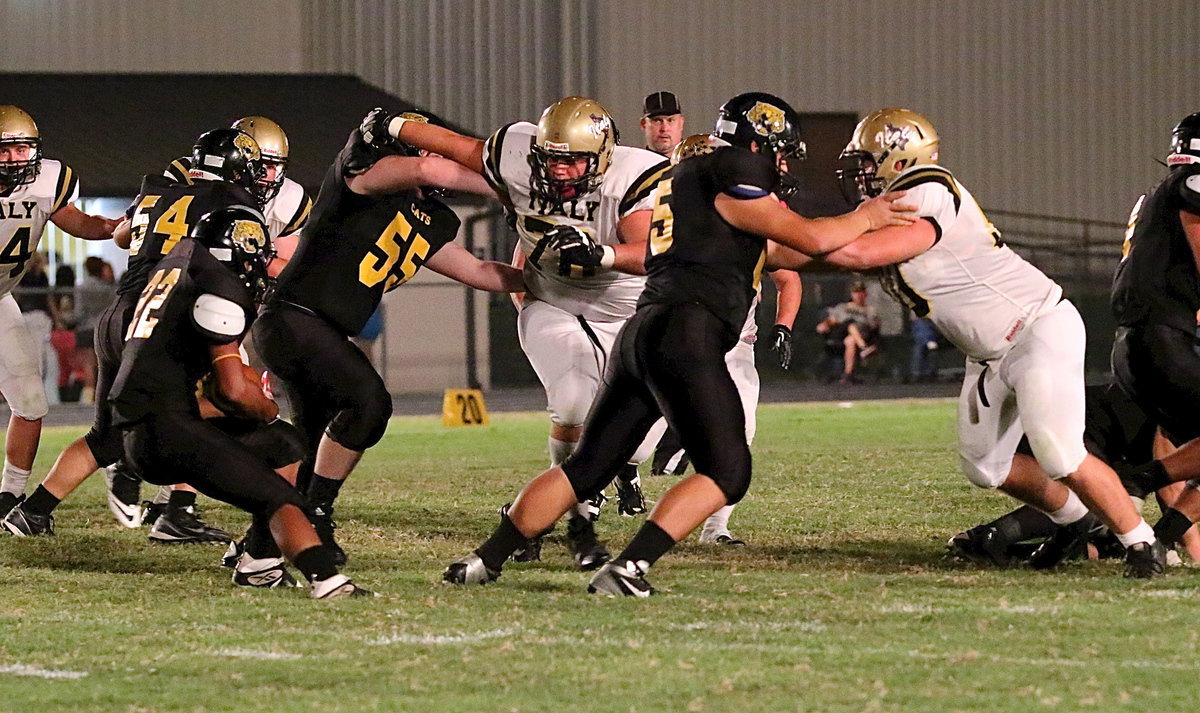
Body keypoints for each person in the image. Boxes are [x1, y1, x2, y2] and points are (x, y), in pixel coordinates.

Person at [441, 92, 915, 595]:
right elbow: (813, 239)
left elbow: (787, 252)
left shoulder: (690, 180)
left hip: (641, 331)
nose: (780, 164)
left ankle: (483, 560)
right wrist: (871, 216)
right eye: (777, 151)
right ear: (756, 142)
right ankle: (629, 568)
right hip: (687, 334)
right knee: (728, 471)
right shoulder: (729, 169)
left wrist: (870, 255)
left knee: (586, 468)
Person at [778, 107, 1163, 577]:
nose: (859, 174)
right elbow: (827, 252)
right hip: (989, 353)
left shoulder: (928, 188)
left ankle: (1141, 542)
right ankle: (1082, 522)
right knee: (986, 466)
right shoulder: (892, 206)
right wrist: (767, 243)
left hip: (1035, 328)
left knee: (1059, 452)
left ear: (900, 160)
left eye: (867, 161)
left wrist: (778, 230)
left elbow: (852, 250)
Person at [374, 97, 671, 570]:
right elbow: (456, 146)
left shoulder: (633, 176)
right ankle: (567, 517)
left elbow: (649, 250)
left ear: (604, 155)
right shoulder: (515, 154)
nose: (561, 170)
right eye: (552, 157)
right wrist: (394, 124)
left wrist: (604, 255)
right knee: (574, 403)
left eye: (574, 159)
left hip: (626, 313)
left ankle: (546, 507)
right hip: (553, 301)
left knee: (637, 445)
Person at [253, 110, 525, 567]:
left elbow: (477, 271)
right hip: (295, 319)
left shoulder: (428, 218)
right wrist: (515, 190)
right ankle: (317, 515)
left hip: (316, 329)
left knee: (307, 443)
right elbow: (425, 168)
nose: (438, 160)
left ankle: (258, 547)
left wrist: (545, 279)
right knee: (369, 403)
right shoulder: (362, 177)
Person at [74, 206, 362, 597]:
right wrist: (267, 408)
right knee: (280, 498)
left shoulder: (178, 264)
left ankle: (259, 563)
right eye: (260, 256)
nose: (263, 266)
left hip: (147, 419)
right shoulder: (220, 293)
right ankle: (328, 581)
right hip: (163, 430)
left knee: (286, 445)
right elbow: (231, 390)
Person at [2, 128, 265, 542]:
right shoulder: (233, 204)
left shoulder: (157, 190)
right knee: (217, 404)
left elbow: (123, 236)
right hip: (163, 321)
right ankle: (177, 509)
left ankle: (32, 511)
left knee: (104, 435)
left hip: (119, 314)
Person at [0, 105, 120, 520]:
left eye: (22, 149)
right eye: (5, 151)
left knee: (31, 401)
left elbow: (79, 222)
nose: (16, 159)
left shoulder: (50, 179)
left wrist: (112, 226)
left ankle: (9, 496)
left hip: (0, 299)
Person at [948, 382, 1200, 565]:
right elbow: (1167, 474)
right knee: (1103, 503)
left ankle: (1022, 550)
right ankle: (991, 536)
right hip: (1077, 431)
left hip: (1102, 446)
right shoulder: (1183, 390)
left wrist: (1167, 537)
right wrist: (1189, 545)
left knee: (1109, 538)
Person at [1108, 111, 1200, 550]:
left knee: (1187, 451)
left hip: (1137, 345)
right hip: (1162, 341)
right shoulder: (1192, 186)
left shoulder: (1157, 196)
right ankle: (1135, 487)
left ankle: (1159, 539)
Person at [815, 279, 880, 384]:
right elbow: (832, 320)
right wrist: (825, 324)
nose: (858, 295)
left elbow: (873, 326)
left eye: (860, 292)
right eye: (855, 292)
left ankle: (848, 374)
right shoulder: (843, 307)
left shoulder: (869, 310)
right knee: (850, 324)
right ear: (851, 294)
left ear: (865, 294)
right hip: (840, 333)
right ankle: (864, 348)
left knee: (850, 340)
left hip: (862, 334)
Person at [74, 256, 115, 403]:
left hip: (86, 328)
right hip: (105, 328)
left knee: (88, 367)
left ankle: (88, 399)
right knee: (105, 366)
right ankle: (106, 398)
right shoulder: (110, 289)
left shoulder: (82, 287)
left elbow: (78, 312)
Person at [640, 91, 685, 157]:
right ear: (643, 124)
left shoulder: (699, 164)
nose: (664, 128)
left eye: (670, 120)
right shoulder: (635, 165)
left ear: (681, 123)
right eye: (657, 120)